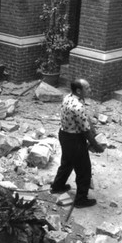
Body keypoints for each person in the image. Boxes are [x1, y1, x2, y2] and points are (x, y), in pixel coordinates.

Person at [49, 78, 104, 208]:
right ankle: (81, 200)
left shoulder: (69, 97)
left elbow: (85, 119)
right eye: (88, 88)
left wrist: (94, 132)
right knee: (84, 169)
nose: (90, 90)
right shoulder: (78, 106)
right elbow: (85, 130)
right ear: (79, 90)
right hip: (75, 139)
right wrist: (96, 145)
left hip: (64, 135)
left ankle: (57, 186)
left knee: (67, 162)